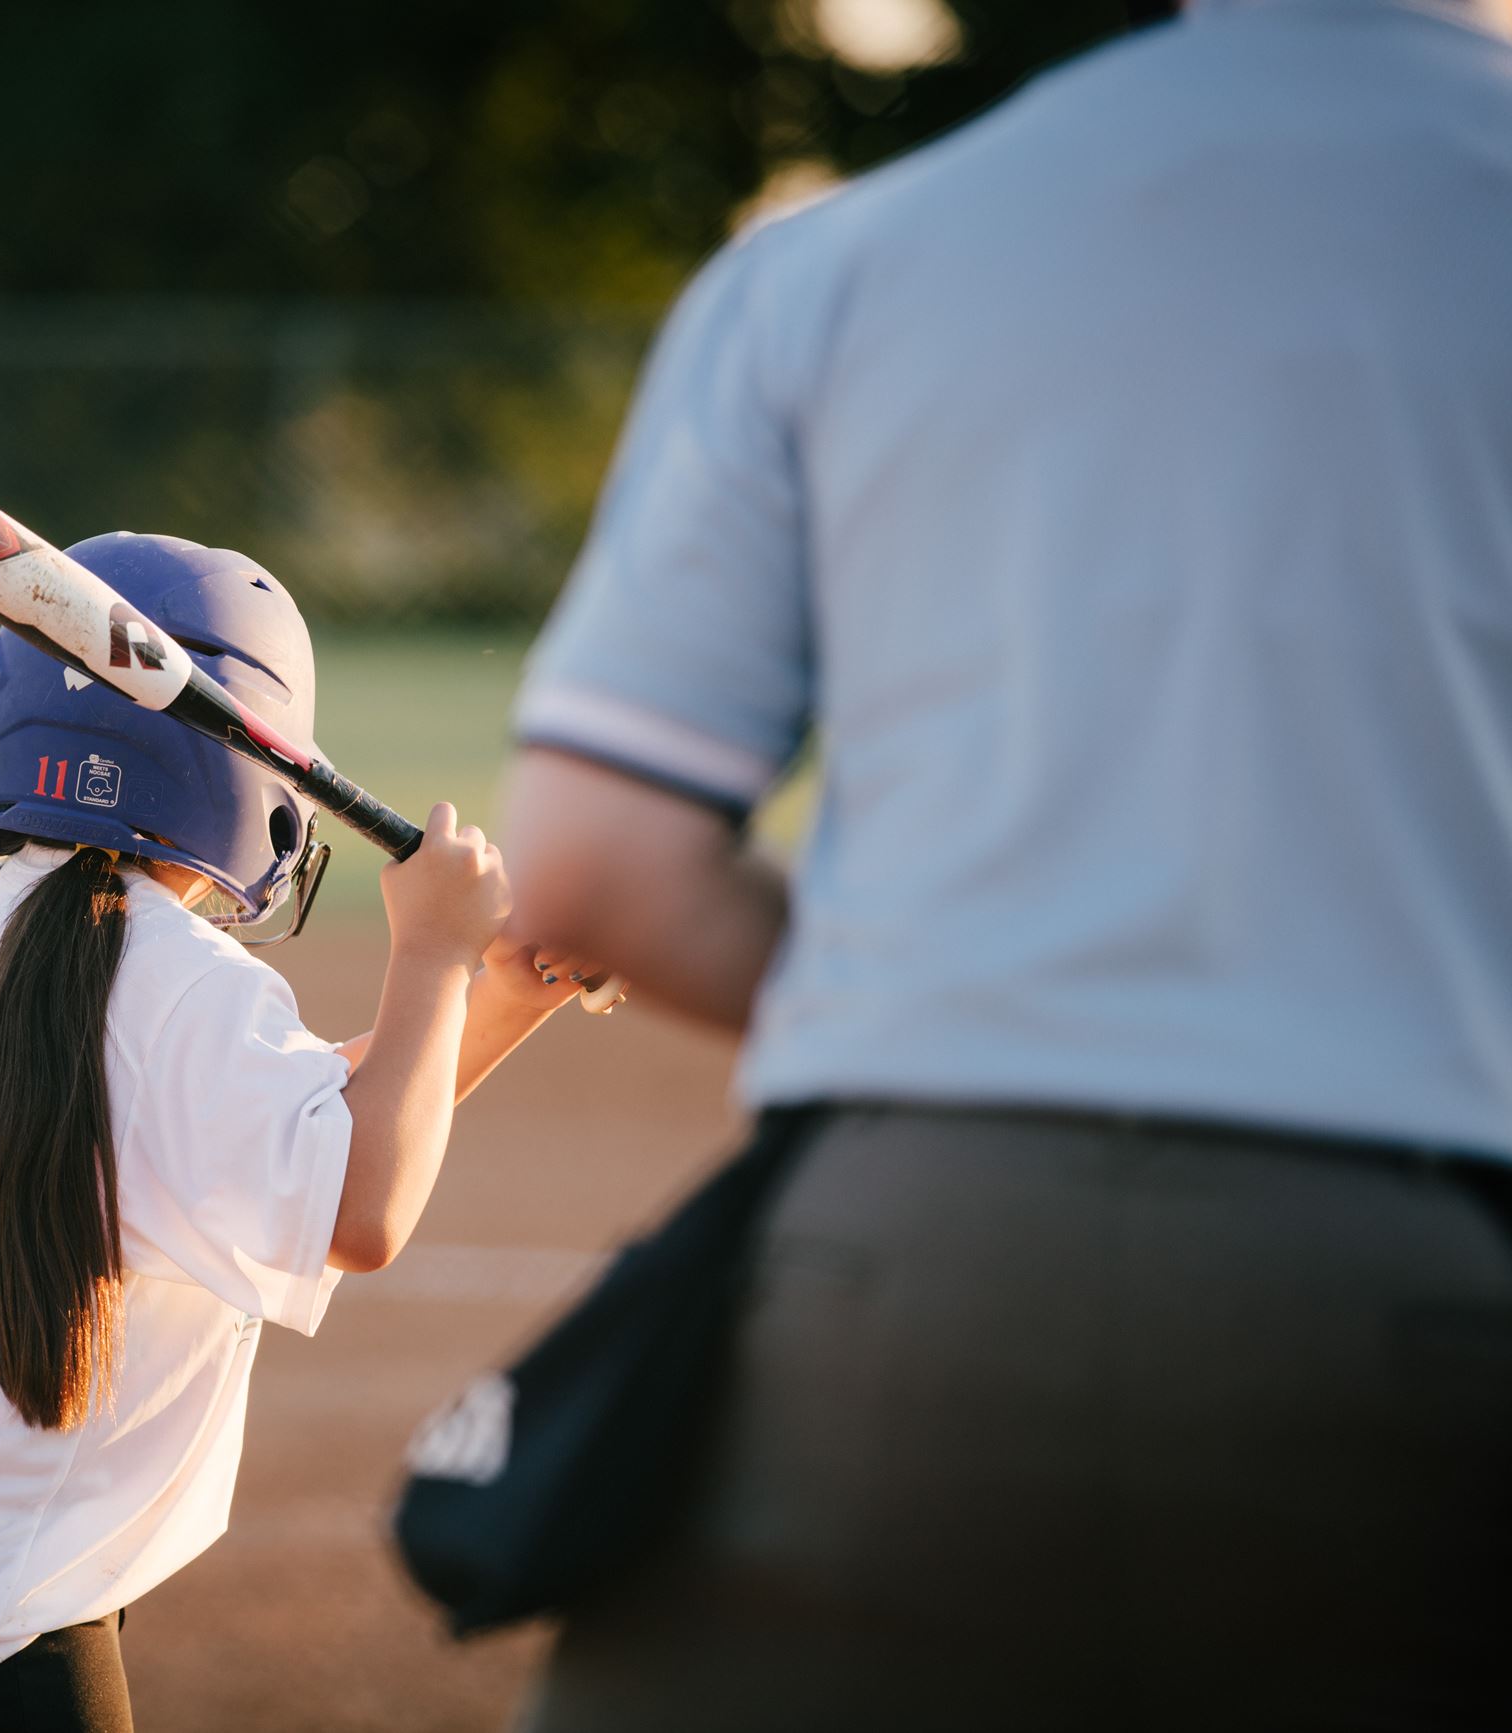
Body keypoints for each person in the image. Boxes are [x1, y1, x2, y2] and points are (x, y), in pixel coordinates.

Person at [498, 1, 1512, 1727]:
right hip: (1428, 1286)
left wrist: (968, 1013)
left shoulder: (853, 249)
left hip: (895, 1271)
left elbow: (593, 868)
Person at [0, 532, 590, 1731]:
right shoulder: (174, 980)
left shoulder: (17, 935)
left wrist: (498, 989)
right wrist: (430, 950)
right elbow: (359, 1206)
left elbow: (310, 1120)